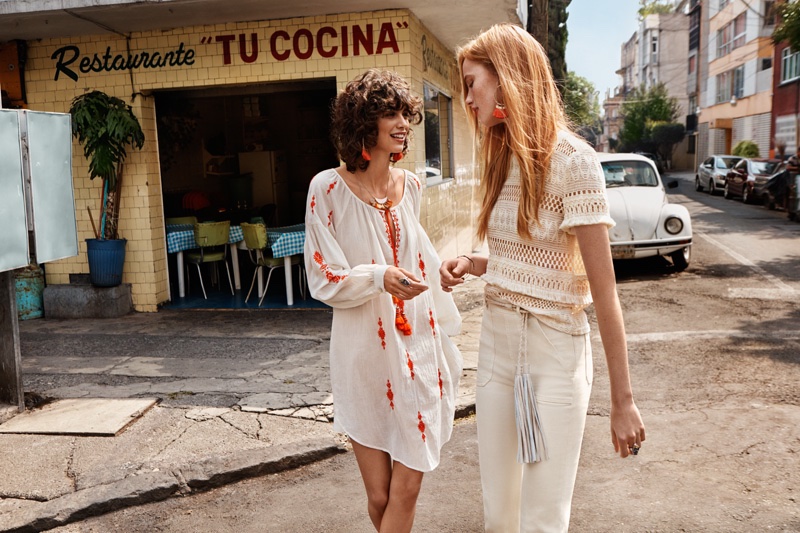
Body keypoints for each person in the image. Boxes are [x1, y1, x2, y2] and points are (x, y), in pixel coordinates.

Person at [439, 24, 646, 532]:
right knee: (499, 512)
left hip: (554, 354)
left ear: (506, 76)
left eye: (471, 83)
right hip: (496, 349)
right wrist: (477, 261)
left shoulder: (575, 163)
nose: (466, 98)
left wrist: (623, 402)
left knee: (541, 518)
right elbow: (531, 256)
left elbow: (604, 293)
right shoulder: (502, 156)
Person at [304, 69, 462, 532]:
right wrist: (379, 277)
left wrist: (444, 271)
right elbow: (324, 277)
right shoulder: (326, 189)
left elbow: (419, 253)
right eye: (388, 113)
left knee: (407, 488)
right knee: (379, 496)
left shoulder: (410, 186)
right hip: (363, 357)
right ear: (361, 123)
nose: (402, 123)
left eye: (404, 114)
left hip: (417, 350)